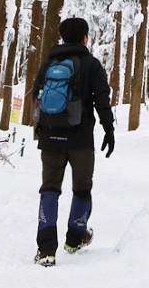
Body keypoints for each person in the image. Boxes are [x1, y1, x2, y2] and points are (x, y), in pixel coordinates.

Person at [32, 16, 115, 267]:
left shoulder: (48, 64)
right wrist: (108, 129)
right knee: (82, 188)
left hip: (50, 138)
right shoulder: (91, 65)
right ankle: (75, 238)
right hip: (81, 140)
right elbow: (102, 99)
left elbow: (36, 97)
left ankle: (46, 250)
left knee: (49, 189)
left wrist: (41, 129)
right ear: (84, 38)